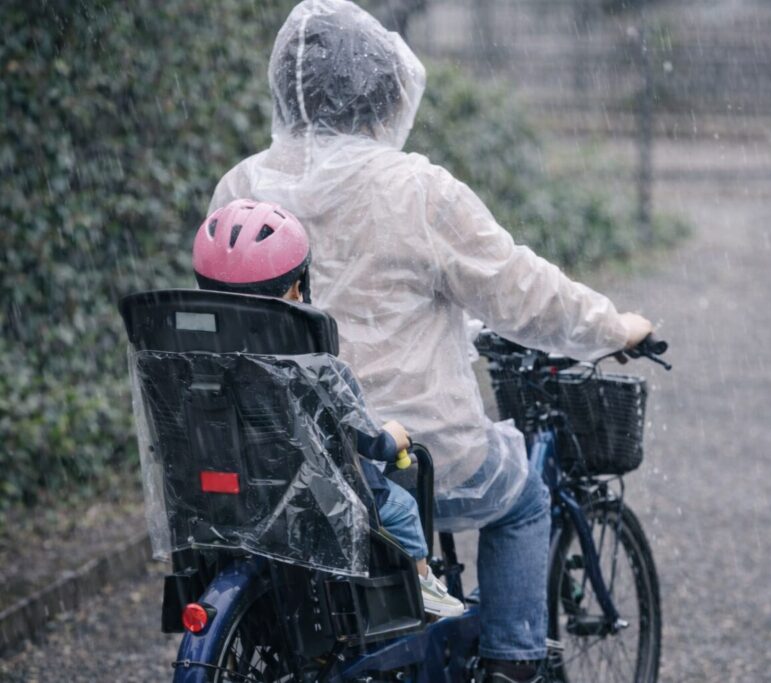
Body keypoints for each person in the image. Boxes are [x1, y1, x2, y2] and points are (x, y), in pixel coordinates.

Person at [208, 2, 653, 679]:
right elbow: (520, 289)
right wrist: (612, 326)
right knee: (525, 495)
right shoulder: (415, 189)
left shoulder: (241, 184)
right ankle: (513, 661)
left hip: (283, 461)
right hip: (407, 452)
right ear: (381, 89)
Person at [191, 197, 465, 618]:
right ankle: (419, 582)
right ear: (298, 286)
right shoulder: (316, 363)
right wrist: (391, 439)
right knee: (402, 506)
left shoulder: (193, 362)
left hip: (228, 502)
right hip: (315, 503)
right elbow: (363, 436)